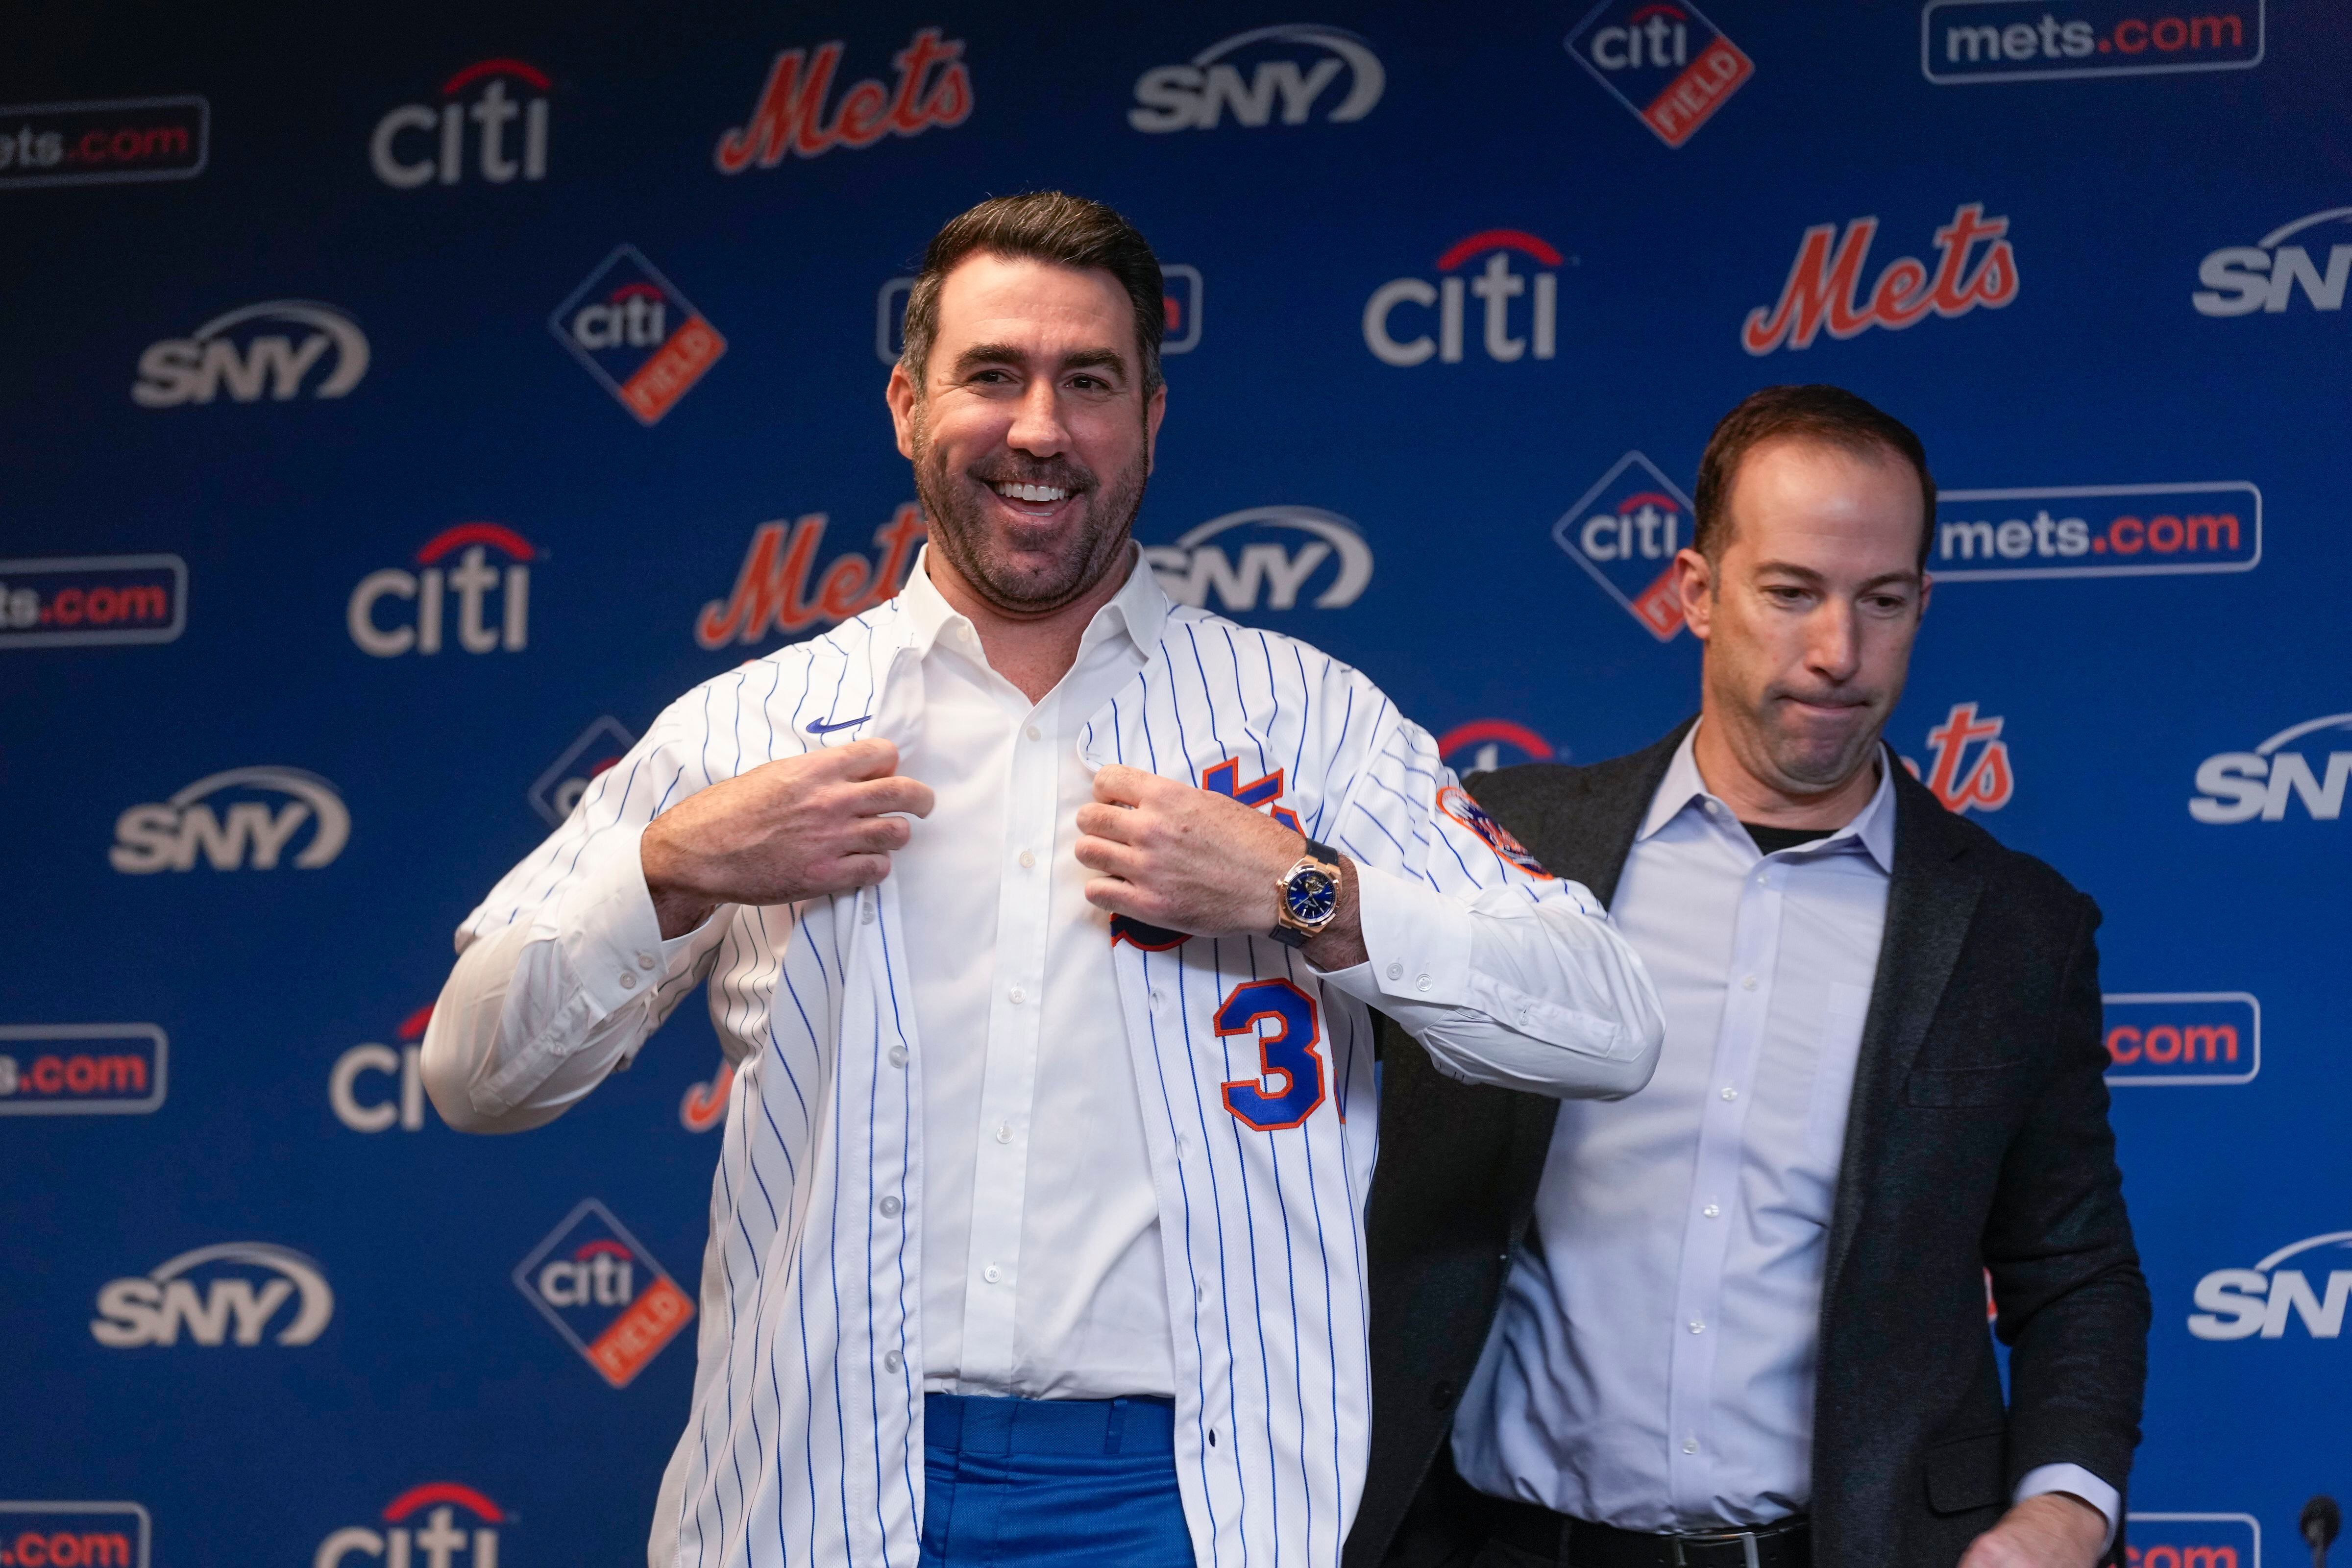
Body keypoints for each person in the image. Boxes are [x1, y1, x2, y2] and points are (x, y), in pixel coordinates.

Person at [420, 192, 1665, 1568]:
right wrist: (668, 870)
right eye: (993, 376)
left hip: (1185, 1501)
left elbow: (1607, 1021)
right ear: (905, 403)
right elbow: (476, 1072)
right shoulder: (746, 730)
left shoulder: (1305, 721)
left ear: (1150, 419)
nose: (1039, 429)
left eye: (1090, 383)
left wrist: (1301, 892)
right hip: (820, 1488)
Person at [1348, 386, 2149, 1568]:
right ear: (1694, 593)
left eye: (1883, 603)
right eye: (1791, 592)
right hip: (1485, 1542)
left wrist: (2063, 1514)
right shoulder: (1500, 849)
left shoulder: (2015, 930)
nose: (1839, 652)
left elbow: (2074, 1268)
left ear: (1923, 606)